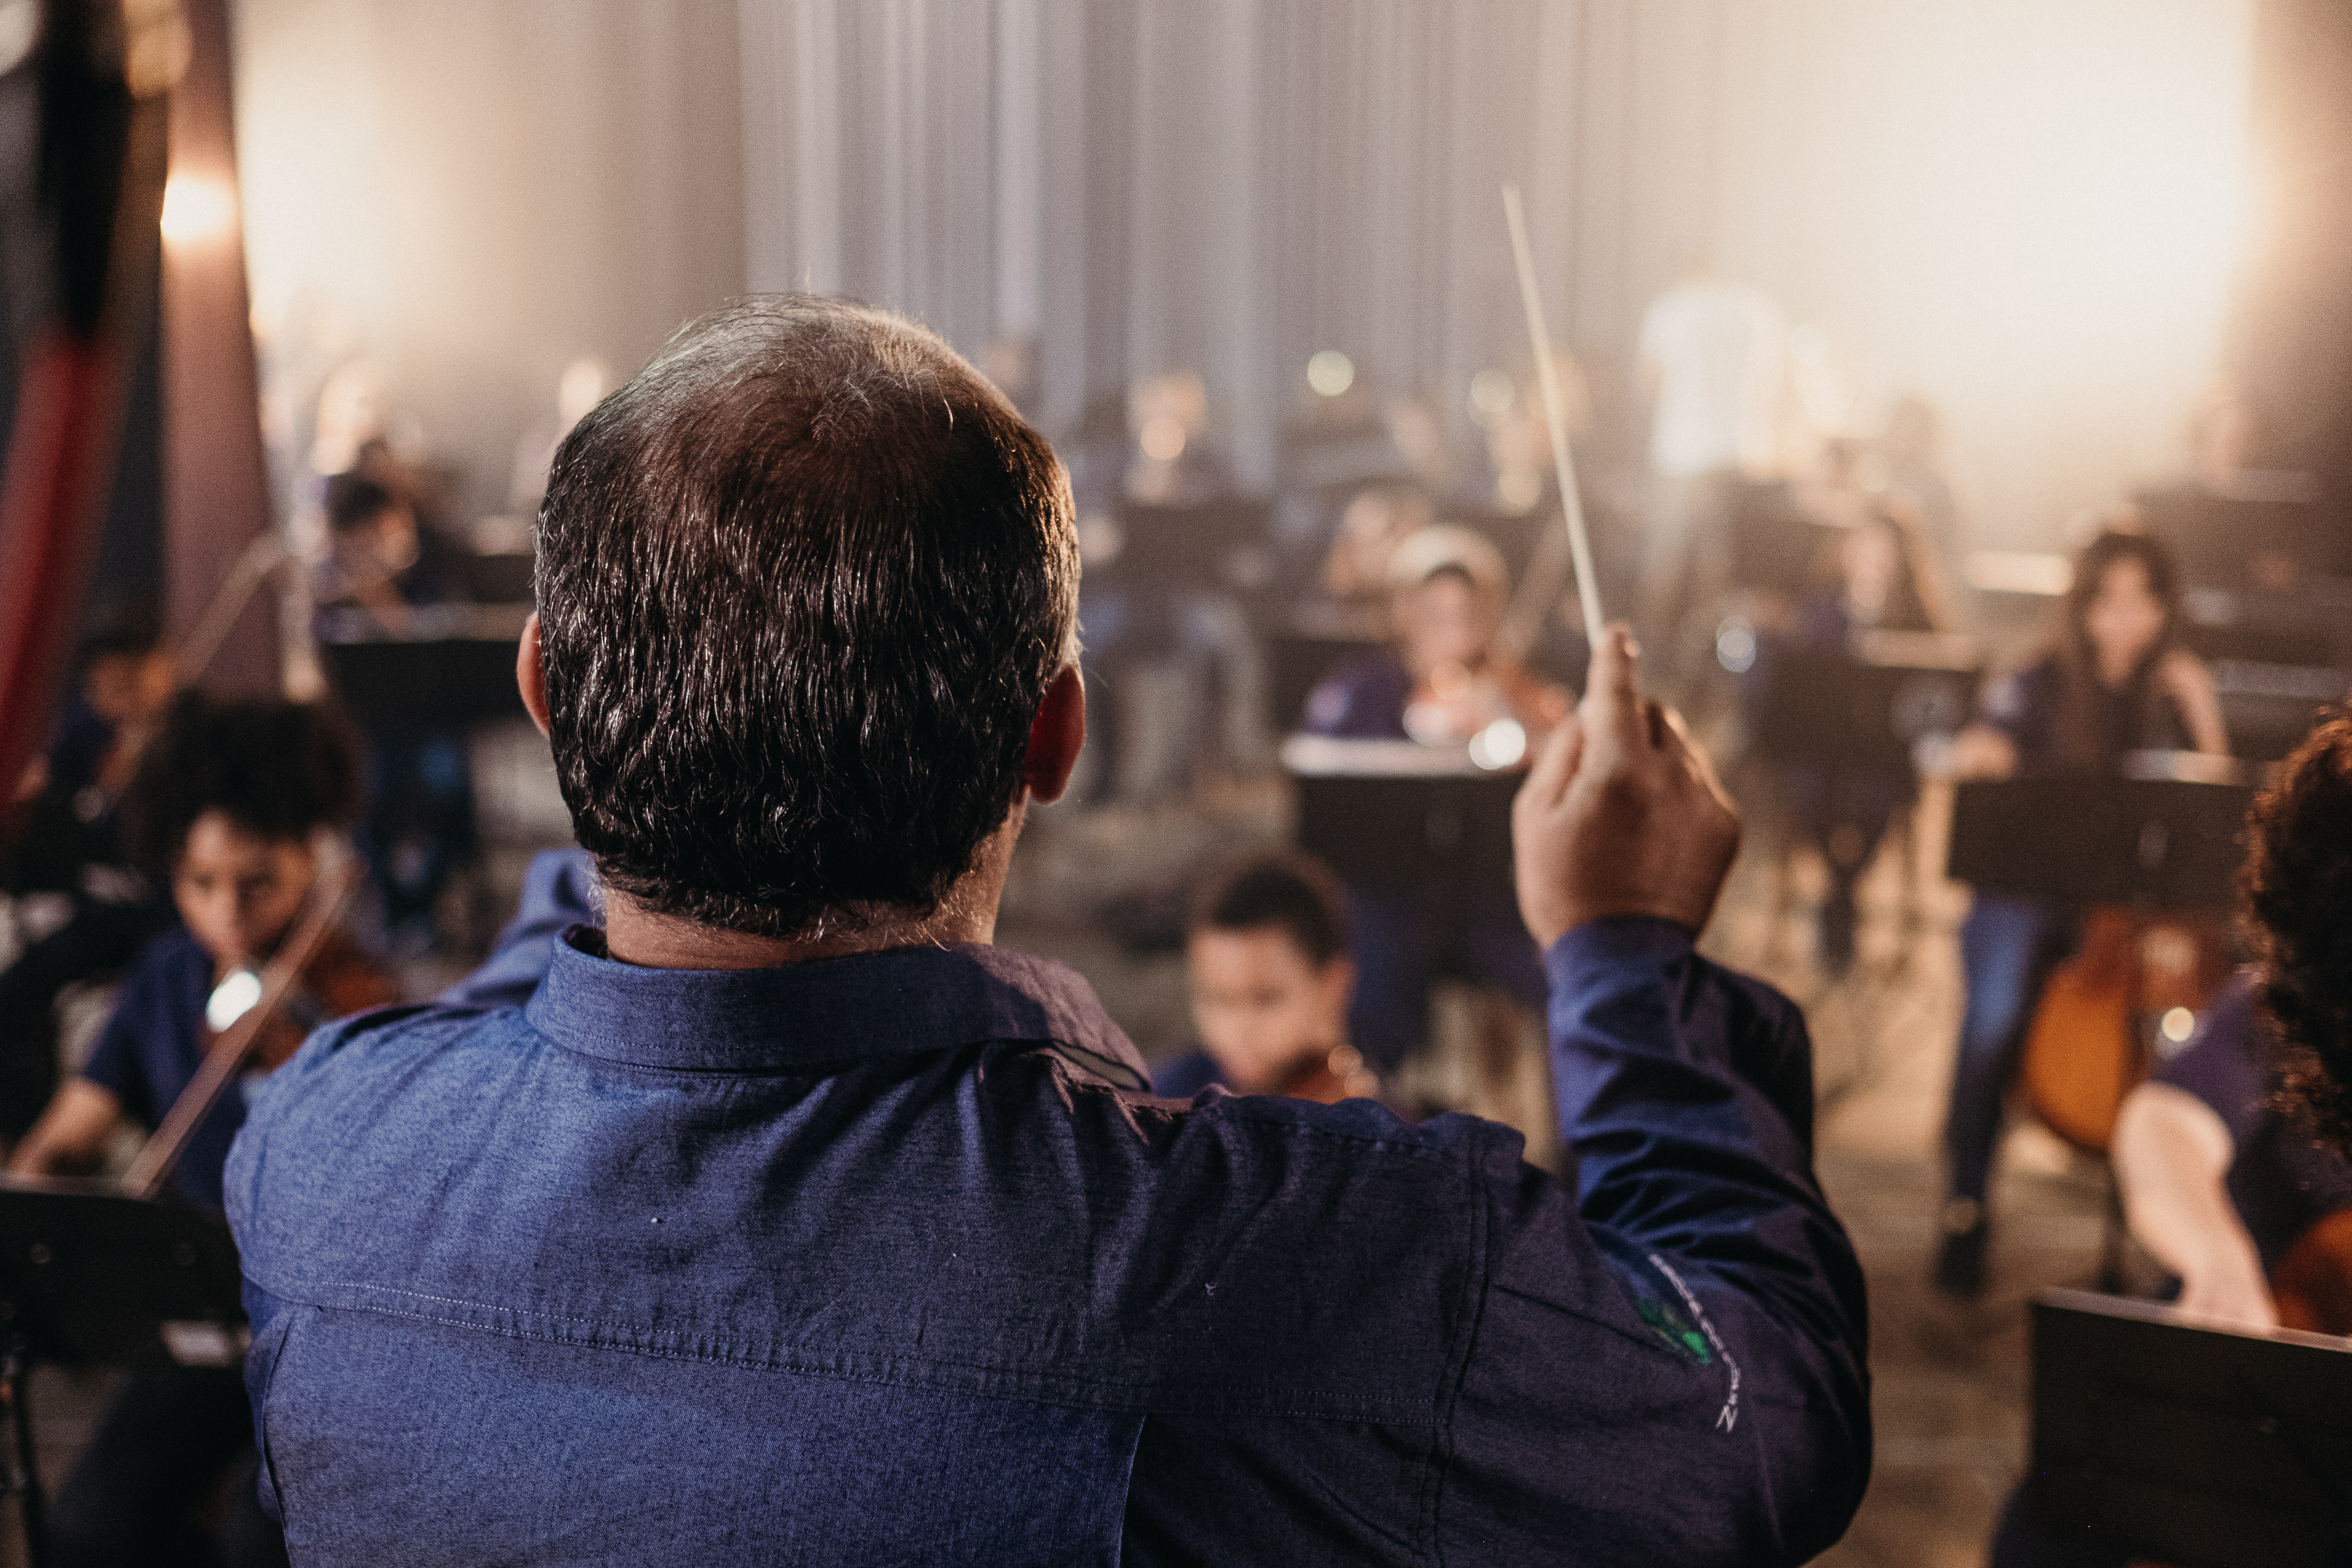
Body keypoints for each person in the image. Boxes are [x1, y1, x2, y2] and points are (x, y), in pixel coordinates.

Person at [227, 297, 1867, 1564]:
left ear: (543, 701)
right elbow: (1752, 1399)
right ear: (1058, 736)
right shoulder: (1266, 1253)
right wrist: (1626, 951)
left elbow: (544, 981)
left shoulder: (309, 1154)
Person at [9, 694, 394, 1568]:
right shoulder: (164, 976)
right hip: (200, 1317)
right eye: (199, 883)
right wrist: (26, 1206)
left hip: (319, 1339)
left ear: (317, 859)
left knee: (263, 1542)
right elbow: (71, 1133)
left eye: (258, 882)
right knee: (86, 1524)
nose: (226, 915)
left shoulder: (357, 997)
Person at [1934, 529, 2229, 1297]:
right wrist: (1984, 754)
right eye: (2110, 601)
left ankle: (2169, 1215)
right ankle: (1966, 1197)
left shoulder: (2168, 687)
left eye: (2144, 600)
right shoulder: (2036, 679)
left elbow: (2211, 817)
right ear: (2084, 606)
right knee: (1994, 1012)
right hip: (2025, 891)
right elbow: (1983, 743)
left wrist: (2200, 709)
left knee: (2189, 1022)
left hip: (2120, 912)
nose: (2126, 619)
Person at [1302, 526, 1570, 1075]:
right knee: (1373, 997)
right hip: (1389, 900)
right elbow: (1325, 768)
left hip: (1489, 905)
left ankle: (1573, 1143)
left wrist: (1509, 717)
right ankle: (1384, 1114)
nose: (1454, 633)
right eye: (1435, 616)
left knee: (1570, 984)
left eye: (1467, 617)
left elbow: (1564, 742)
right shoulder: (1362, 690)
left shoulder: (1512, 687)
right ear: (1404, 616)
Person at [0, 602, 181, 1136]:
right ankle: (23, 1129)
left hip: (166, 916)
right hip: (96, 909)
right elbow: (58, 832)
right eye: (104, 686)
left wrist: (141, 791)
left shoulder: (191, 740)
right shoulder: (81, 732)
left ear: (165, 667)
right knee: (20, 985)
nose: (118, 701)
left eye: (133, 681)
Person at [1762, 504, 1951, 977]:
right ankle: (1840, 890)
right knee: (1816, 790)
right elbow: (1794, 688)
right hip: (1823, 757)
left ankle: (1844, 888)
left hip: (1882, 763)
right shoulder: (1817, 609)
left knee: (1874, 798)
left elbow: (1936, 696)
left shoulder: (1916, 618)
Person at [316, 462, 480, 948]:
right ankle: (390, 907)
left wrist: (380, 598)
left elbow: (440, 648)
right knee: (365, 804)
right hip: (372, 729)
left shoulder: (431, 571)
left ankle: (424, 904)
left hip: (433, 722)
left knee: (451, 797)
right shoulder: (331, 584)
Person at [1635, 260, 1786, 690]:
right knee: (1718, 565)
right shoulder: (1759, 310)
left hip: (1682, 456)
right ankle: (1707, 658)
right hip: (1741, 458)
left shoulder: (1672, 307)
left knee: (1665, 558)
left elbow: (1650, 383)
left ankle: (1653, 659)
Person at [1151, 851, 1377, 1104]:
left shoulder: (1376, 1128)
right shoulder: (1169, 1092)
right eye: (1218, 998)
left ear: (1334, 986)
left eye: (1266, 999)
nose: (1238, 1028)